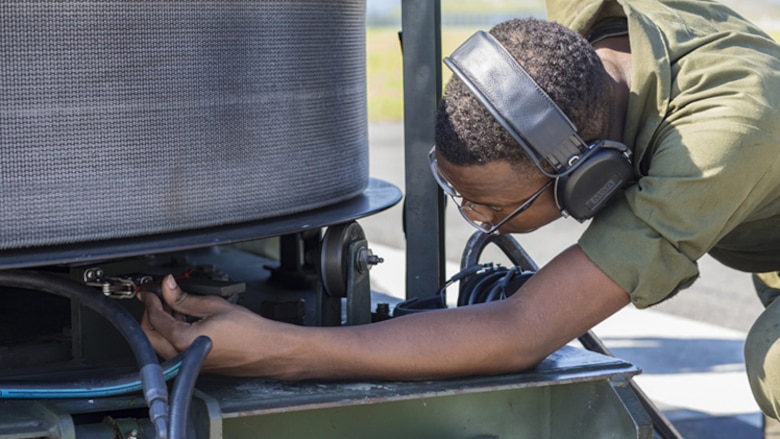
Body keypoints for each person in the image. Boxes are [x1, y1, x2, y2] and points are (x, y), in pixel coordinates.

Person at [139, 0, 780, 418]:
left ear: (591, 181)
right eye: (458, 194)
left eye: (490, 206)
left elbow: (521, 332)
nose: (474, 220)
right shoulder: (582, 31)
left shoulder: (717, 143)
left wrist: (281, 350)